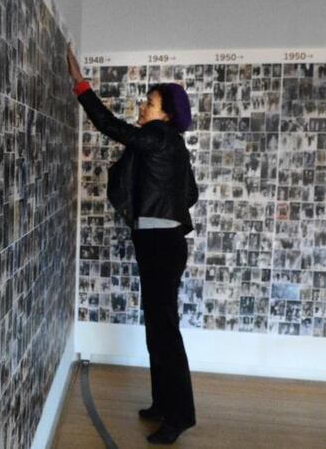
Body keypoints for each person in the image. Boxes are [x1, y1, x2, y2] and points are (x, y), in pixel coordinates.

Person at [68, 46, 199, 445]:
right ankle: (163, 404)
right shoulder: (170, 144)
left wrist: (81, 86)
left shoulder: (158, 137)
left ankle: (178, 416)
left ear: (166, 114)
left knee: (164, 331)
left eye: (150, 103)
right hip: (162, 241)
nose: (143, 106)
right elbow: (188, 195)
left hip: (160, 242)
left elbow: (111, 126)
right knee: (158, 329)